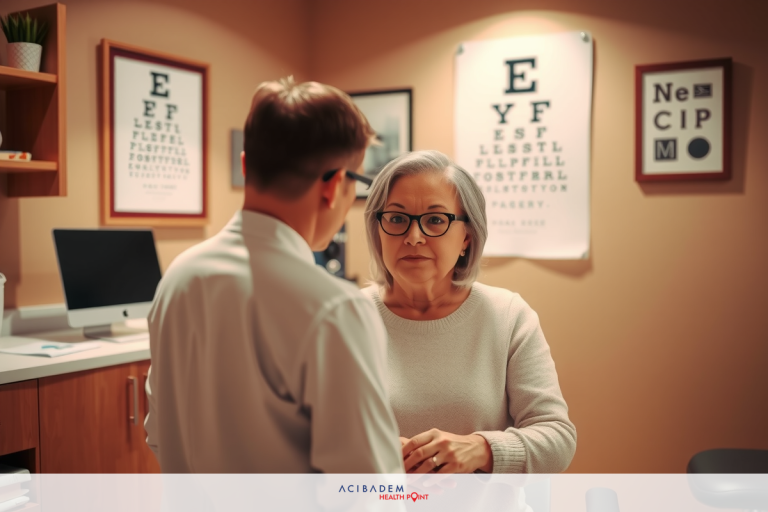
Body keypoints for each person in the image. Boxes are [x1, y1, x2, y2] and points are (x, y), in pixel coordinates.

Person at [144, 77, 404, 473]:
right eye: (358, 182)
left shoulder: (179, 278)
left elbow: (159, 433)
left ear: (246, 165)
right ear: (335, 187)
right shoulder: (333, 308)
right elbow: (366, 489)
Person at [362, 150, 576, 474]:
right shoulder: (344, 318)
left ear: (467, 237)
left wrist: (481, 449)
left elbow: (557, 439)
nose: (414, 237)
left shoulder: (508, 317)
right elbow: (303, 436)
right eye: (397, 218)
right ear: (378, 230)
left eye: (435, 220)